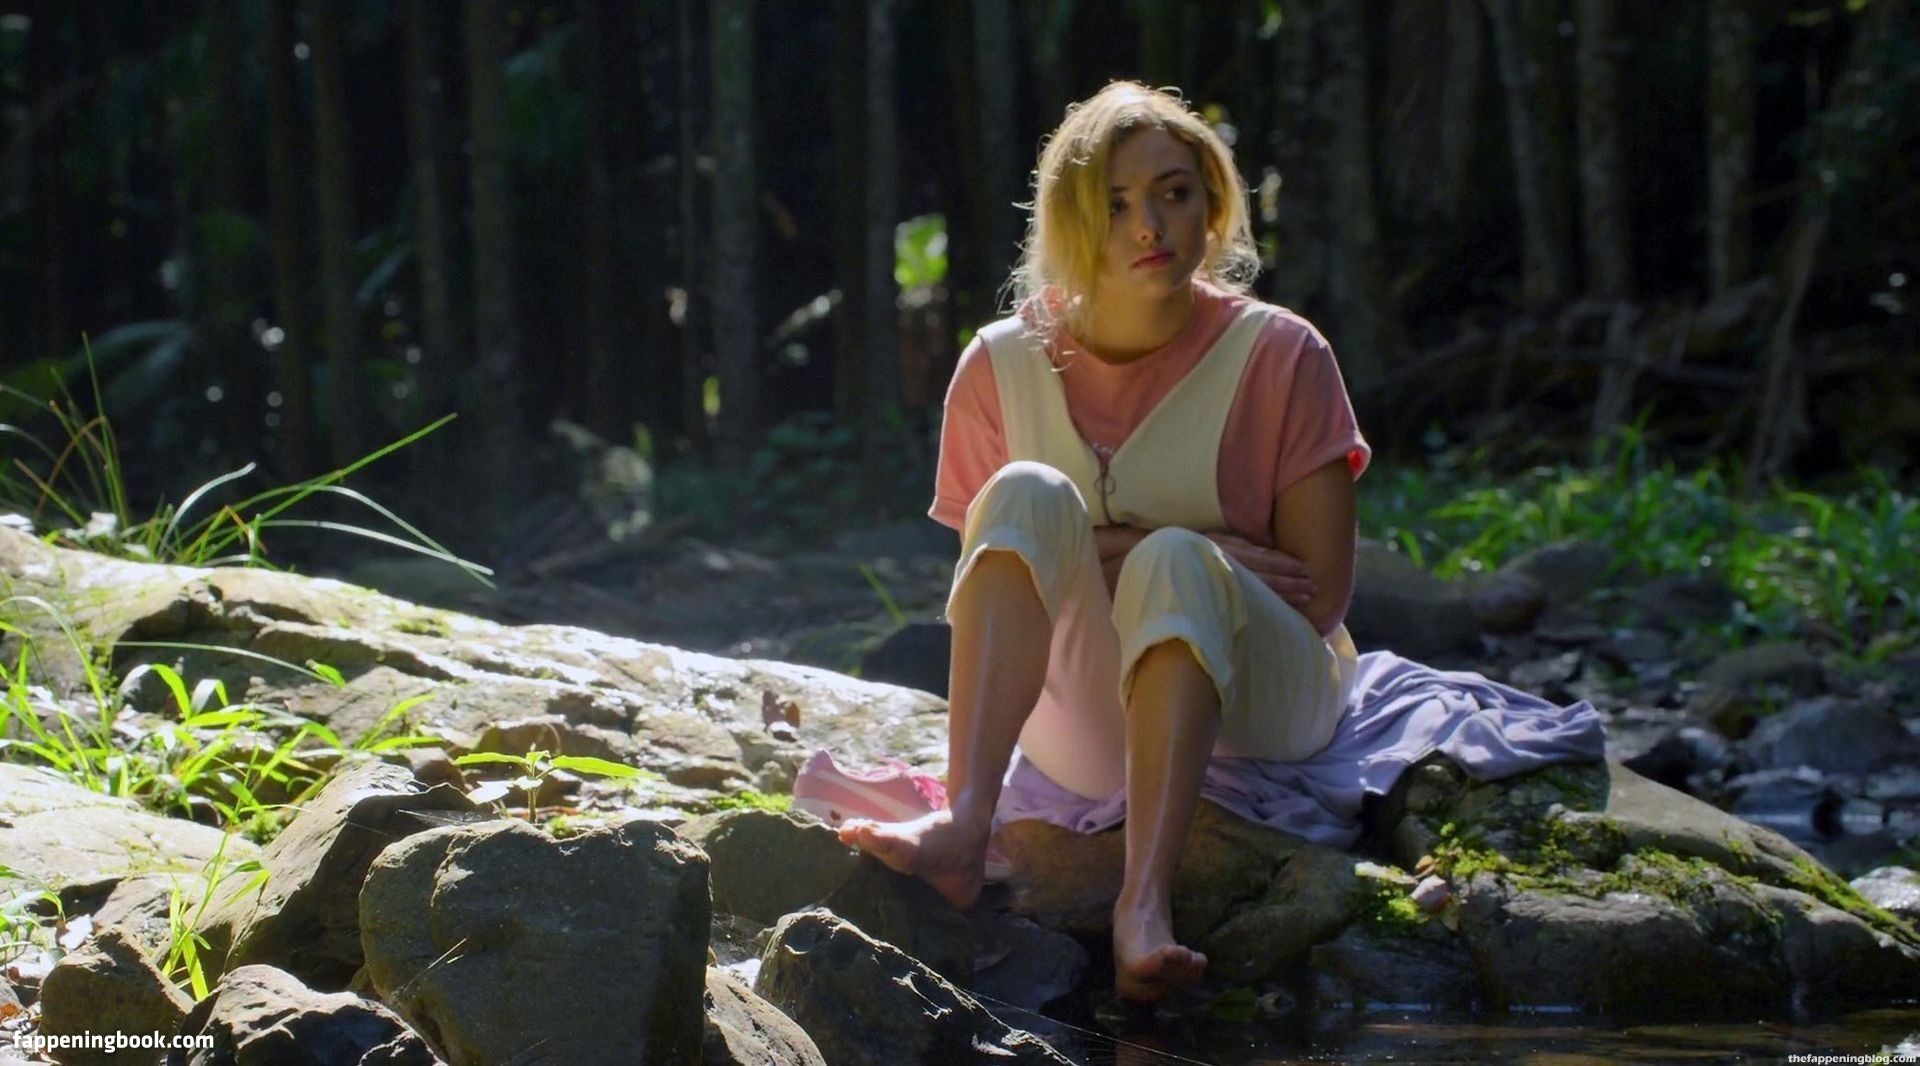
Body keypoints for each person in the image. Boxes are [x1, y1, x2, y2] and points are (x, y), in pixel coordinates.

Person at [838, 80, 1370, 1004]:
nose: (1148, 225)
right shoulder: (997, 367)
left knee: (1175, 563)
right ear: (1070, 221)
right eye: (1115, 204)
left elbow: (1319, 596)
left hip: (1265, 709)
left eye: (1174, 192)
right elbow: (1005, 580)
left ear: (1213, 204)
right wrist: (1160, 541)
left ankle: (1144, 906)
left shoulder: (1285, 356)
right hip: (1087, 726)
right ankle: (966, 822)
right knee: (1026, 493)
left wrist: (1170, 557)